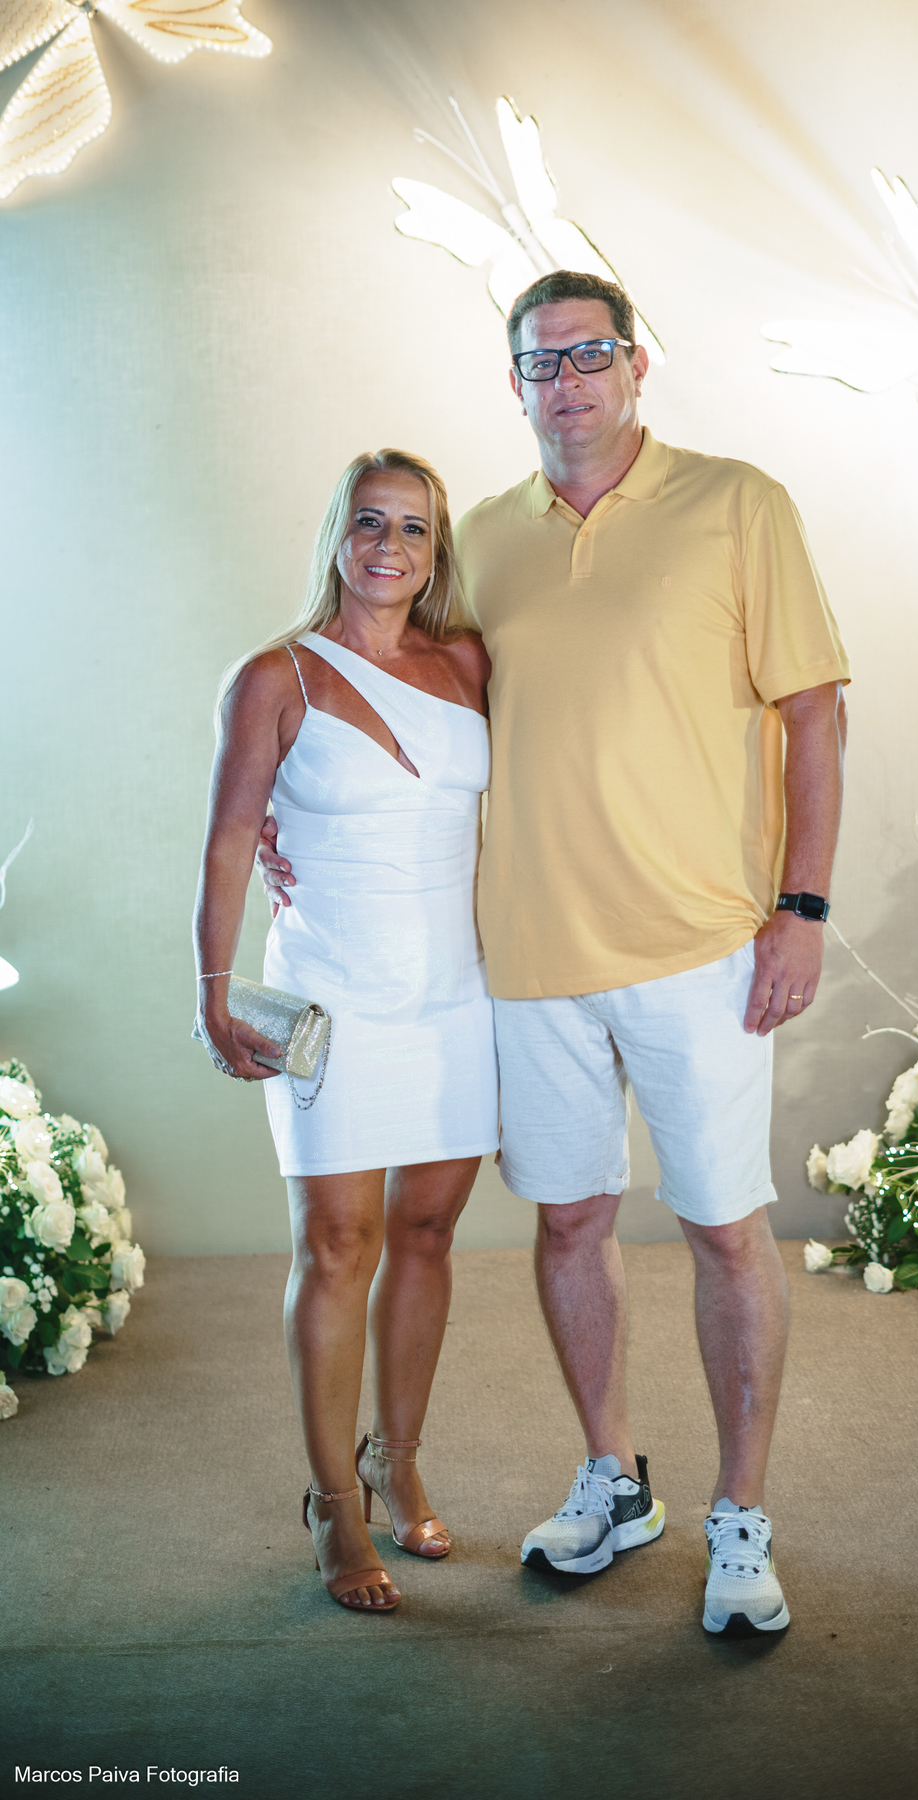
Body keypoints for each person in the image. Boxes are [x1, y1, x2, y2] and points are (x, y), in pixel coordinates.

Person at [262, 273, 849, 1636]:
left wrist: (803, 907)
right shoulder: (480, 542)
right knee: (571, 1222)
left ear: (639, 364)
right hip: (524, 959)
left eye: (592, 355)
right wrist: (292, 819)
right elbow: (396, 705)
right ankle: (613, 1477)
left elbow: (816, 714)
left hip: (702, 944)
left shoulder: (739, 503)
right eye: (543, 362)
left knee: (723, 1230)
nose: (569, 381)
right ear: (516, 381)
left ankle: (741, 1516)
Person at [194, 449, 497, 1613]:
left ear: (435, 551)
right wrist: (213, 987)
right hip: (330, 991)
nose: (389, 546)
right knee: (334, 1244)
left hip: (455, 994)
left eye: (413, 528)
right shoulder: (273, 676)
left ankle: (395, 1459)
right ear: (337, 533)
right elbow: (231, 841)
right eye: (370, 521)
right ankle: (333, 1503)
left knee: (427, 1231)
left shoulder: (466, 662)